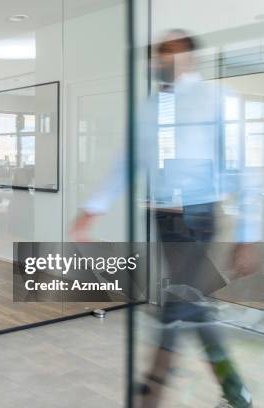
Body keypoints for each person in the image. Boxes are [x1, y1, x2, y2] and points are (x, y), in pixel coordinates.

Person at [71, 30, 258, 408]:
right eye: (157, 53)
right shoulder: (150, 107)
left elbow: (246, 170)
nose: (159, 59)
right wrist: (93, 208)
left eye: (168, 52)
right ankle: (236, 390)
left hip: (199, 217)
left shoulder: (217, 99)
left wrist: (250, 233)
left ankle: (150, 393)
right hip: (161, 218)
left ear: (189, 57)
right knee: (192, 303)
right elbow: (126, 163)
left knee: (174, 306)